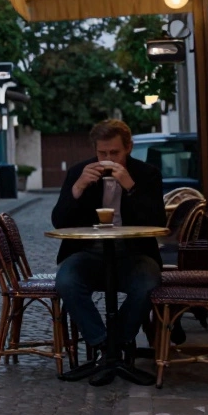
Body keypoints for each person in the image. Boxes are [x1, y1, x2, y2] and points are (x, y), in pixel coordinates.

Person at [52, 119, 165, 377]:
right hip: (88, 252)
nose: (107, 158)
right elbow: (59, 222)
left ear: (128, 148)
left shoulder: (147, 174)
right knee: (67, 281)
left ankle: (120, 341)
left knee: (148, 283)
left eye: (114, 152)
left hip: (133, 253)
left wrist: (131, 187)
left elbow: (157, 222)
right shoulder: (80, 172)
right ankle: (104, 344)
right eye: (102, 153)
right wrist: (78, 187)